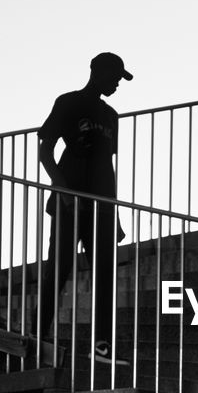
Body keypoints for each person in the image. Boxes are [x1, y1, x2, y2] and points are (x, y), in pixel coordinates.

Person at [37, 51, 132, 361]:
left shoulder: (111, 116)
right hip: (70, 202)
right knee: (59, 269)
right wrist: (61, 189)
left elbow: (107, 165)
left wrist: (115, 213)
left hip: (102, 205)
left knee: (105, 275)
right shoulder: (69, 102)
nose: (118, 83)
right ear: (99, 72)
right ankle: (37, 337)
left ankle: (102, 347)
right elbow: (46, 150)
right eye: (115, 77)